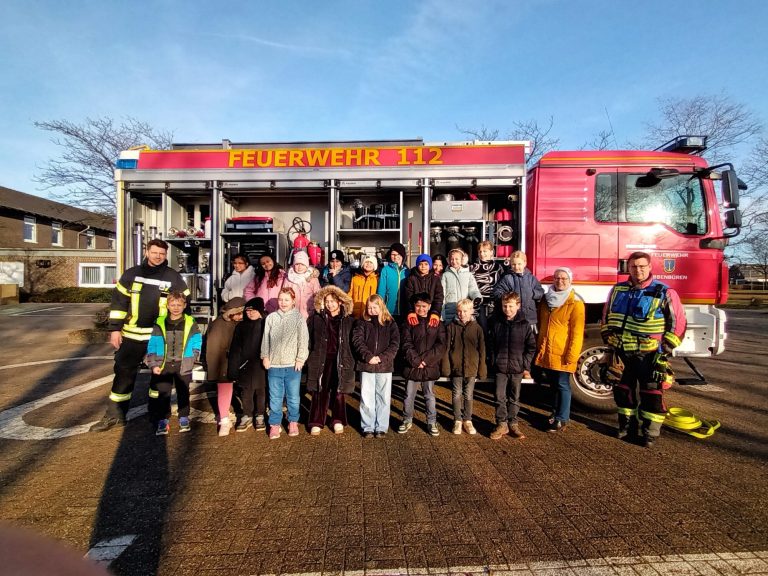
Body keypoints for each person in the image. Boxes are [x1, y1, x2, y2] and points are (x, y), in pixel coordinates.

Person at [90, 238, 189, 432]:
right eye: (154, 252)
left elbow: (184, 305)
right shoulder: (131, 274)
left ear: (166, 255)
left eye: (162, 254)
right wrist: (115, 329)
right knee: (123, 375)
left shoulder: (173, 277)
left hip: (159, 337)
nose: (158, 256)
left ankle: (158, 416)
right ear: (147, 252)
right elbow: (119, 304)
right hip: (132, 336)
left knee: (159, 379)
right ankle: (115, 416)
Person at [601, 251, 686, 448]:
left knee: (652, 394)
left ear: (649, 267)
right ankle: (626, 427)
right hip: (622, 353)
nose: (637, 270)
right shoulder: (618, 290)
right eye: (633, 266)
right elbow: (606, 316)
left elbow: (678, 323)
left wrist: (665, 350)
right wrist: (609, 340)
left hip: (649, 355)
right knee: (623, 392)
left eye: (641, 266)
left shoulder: (664, 292)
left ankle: (650, 433)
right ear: (628, 268)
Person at [144, 291, 202, 435]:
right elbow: (153, 344)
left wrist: (194, 355)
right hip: (163, 364)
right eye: (173, 305)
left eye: (179, 305)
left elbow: (197, 339)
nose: (176, 308)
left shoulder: (190, 322)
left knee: (183, 393)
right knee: (163, 394)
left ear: (184, 306)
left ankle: (184, 417)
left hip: (184, 364)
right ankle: (163, 419)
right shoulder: (160, 322)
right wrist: (153, 363)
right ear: (167, 306)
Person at [535, 267, 585, 433]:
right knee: (553, 385)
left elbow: (577, 332)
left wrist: (572, 355)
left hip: (563, 352)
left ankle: (562, 419)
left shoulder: (575, 303)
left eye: (564, 278)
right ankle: (554, 413)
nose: (560, 281)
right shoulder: (546, 300)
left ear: (570, 280)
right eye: (557, 278)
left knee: (563, 385)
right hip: (547, 351)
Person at [306, 286, 356, 435]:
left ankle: (337, 419)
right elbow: (309, 340)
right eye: (327, 301)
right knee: (320, 389)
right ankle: (316, 421)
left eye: (333, 301)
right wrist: (308, 357)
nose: (329, 304)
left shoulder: (348, 320)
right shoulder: (316, 319)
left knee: (338, 390)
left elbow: (353, 342)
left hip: (341, 359)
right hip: (321, 358)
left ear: (340, 302)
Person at [261, 287, 310, 439]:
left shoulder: (298, 318)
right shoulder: (271, 318)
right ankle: (275, 424)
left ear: (293, 301)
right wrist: (265, 356)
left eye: (286, 300)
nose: (283, 302)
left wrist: (300, 358)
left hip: (292, 365)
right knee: (275, 397)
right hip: (274, 365)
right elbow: (265, 339)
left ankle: (293, 421)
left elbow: (303, 340)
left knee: (293, 396)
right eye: (281, 299)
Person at [398, 292, 447, 436]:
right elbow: (406, 343)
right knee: (409, 395)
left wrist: (425, 360)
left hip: (429, 366)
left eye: (424, 306)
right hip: (412, 365)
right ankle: (407, 419)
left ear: (429, 306)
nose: (421, 309)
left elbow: (441, 345)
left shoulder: (437, 323)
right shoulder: (409, 322)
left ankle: (431, 421)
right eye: (418, 306)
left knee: (429, 395)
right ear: (414, 306)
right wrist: (416, 361)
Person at [352, 294, 400, 438]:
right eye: (369, 307)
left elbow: (395, 344)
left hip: (384, 365)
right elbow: (357, 341)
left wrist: (382, 358)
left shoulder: (390, 323)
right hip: (367, 364)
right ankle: (367, 426)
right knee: (367, 397)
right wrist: (368, 356)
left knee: (383, 397)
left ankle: (381, 427)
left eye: (375, 307)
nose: (372, 310)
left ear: (381, 307)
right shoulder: (361, 322)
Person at [490, 292, 536, 440]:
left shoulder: (524, 325)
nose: (507, 309)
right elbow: (491, 345)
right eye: (505, 306)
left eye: (510, 306)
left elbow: (531, 347)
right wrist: (494, 361)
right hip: (500, 368)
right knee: (499, 396)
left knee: (514, 397)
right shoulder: (497, 323)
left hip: (517, 368)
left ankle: (513, 423)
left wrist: (525, 364)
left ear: (518, 306)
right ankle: (501, 424)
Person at [441, 298, 487, 435]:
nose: (462, 314)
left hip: (471, 368)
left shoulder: (477, 328)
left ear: (471, 311)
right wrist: (446, 367)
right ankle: (457, 420)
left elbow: (482, 350)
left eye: (465, 311)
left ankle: (468, 419)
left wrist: (482, 368)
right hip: (456, 367)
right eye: (459, 311)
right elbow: (446, 349)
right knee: (456, 394)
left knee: (468, 395)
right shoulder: (451, 327)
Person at [227, 297, 267, 433]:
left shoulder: (266, 324)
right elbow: (235, 349)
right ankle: (247, 414)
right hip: (245, 365)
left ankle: (260, 414)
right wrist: (233, 369)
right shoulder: (241, 326)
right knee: (246, 392)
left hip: (261, 365)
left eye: (253, 310)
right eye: (248, 311)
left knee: (261, 391)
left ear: (260, 311)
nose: (250, 313)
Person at [205, 297, 245, 436]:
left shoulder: (240, 323)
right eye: (238, 313)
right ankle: (224, 419)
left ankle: (245, 415)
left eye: (242, 313)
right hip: (224, 362)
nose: (240, 316)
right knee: (224, 389)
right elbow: (214, 348)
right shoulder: (219, 325)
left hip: (238, 361)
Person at [493, 250, 544, 332]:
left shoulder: (531, 278)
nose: (516, 267)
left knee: (529, 338)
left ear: (525, 263)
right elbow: (497, 292)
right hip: (512, 318)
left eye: (519, 264)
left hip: (529, 318)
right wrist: (508, 297)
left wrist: (532, 293)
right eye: (513, 264)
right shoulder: (507, 278)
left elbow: (540, 292)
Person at [470, 240, 507, 333]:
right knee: (483, 329)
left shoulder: (498, 267)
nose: (482, 254)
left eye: (485, 251)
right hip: (479, 303)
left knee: (496, 329)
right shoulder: (473, 267)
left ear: (491, 252)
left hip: (495, 302)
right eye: (480, 251)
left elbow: (503, 284)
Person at [402, 254, 444, 328]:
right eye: (420, 264)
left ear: (430, 265)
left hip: (430, 313)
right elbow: (408, 297)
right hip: (416, 312)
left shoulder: (435, 279)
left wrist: (435, 312)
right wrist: (411, 311)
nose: (423, 266)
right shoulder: (411, 278)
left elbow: (439, 298)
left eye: (426, 264)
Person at [441, 248, 481, 323]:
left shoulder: (468, 275)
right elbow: (442, 294)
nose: (454, 261)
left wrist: (477, 297)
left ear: (462, 260)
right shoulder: (445, 275)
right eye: (452, 259)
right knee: (451, 329)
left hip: (464, 311)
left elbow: (473, 290)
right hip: (450, 310)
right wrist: (442, 313)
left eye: (457, 259)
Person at [283, 250, 321, 319]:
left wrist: (316, 309)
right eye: (297, 264)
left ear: (306, 265)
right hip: (291, 314)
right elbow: (283, 295)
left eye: (302, 264)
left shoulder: (312, 278)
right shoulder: (289, 278)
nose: (300, 267)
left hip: (308, 314)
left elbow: (318, 295)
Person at [377, 242, 409, 322]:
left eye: (398, 254)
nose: (395, 257)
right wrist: (380, 308)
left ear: (403, 256)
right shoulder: (385, 270)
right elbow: (381, 291)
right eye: (393, 254)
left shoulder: (407, 271)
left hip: (404, 311)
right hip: (388, 311)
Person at [349, 253, 379, 318]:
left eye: (371, 263)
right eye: (366, 262)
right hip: (355, 313)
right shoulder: (355, 278)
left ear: (374, 265)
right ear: (362, 264)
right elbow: (350, 294)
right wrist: (349, 308)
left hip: (370, 313)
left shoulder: (377, 279)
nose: (368, 264)